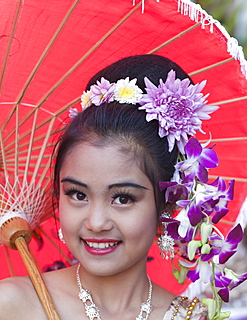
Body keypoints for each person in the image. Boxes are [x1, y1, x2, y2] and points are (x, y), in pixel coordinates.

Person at [0, 54, 210, 319]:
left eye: (122, 198)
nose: (96, 223)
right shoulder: (12, 307)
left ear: (166, 204)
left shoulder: (189, 317)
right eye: (77, 194)